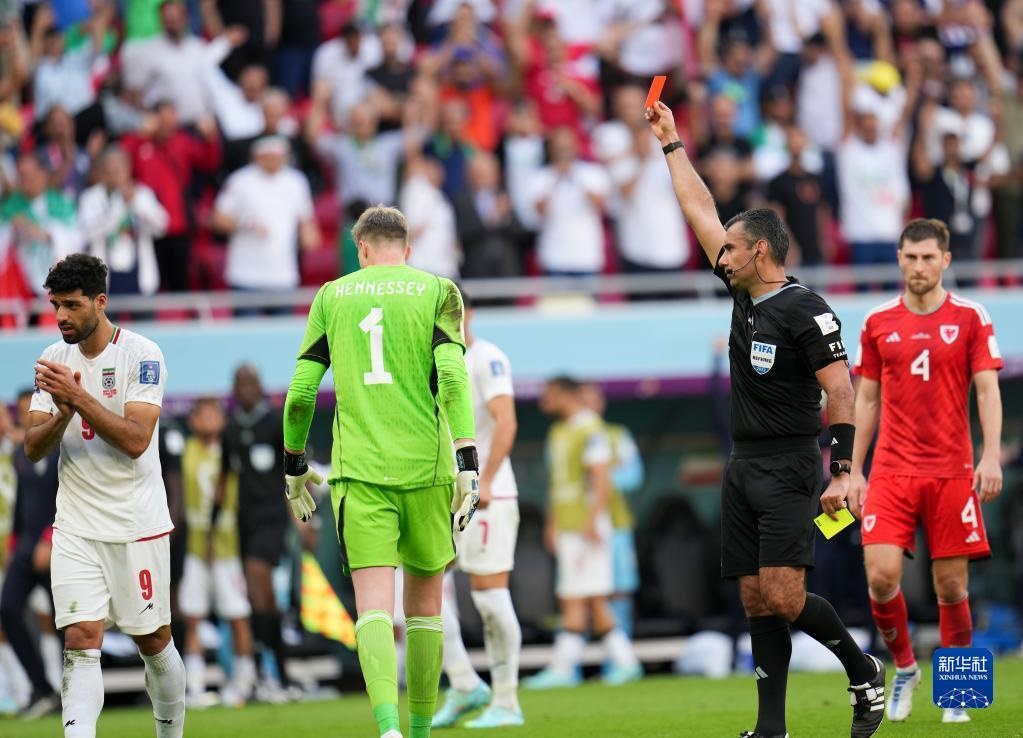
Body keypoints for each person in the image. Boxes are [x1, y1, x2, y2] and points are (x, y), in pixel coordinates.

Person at [645, 100, 885, 738]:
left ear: (758, 252)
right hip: (743, 464)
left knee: (783, 594)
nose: (719, 257)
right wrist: (671, 143)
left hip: (789, 464)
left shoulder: (806, 309)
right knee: (754, 598)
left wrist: (842, 472)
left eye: (730, 249)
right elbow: (699, 209)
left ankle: (862, 669)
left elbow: (841, 389)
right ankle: (771, 728)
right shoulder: (742, 292)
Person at [282, 205, 480, 738]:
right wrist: (467, 461)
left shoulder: (331, 296)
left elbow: (300, 394)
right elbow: (454, 381)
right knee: (426, 610)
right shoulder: (439, 291)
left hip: (360, 475)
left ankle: (388, 729)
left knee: (372, 608)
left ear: (362, 249)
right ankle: (421, 731)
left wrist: (294, 463)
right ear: (407, 250)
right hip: (428, 470)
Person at [849, 218, 1004, 726]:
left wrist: (991, 454)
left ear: (945, 260)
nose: (919, 266)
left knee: (952, 586)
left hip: (952, 470)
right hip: (892, 470)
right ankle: (906, 668)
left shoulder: (971, 316)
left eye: (928, 257)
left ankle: (958, 691)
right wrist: (853, 470)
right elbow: (866, 399)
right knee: (880, 576)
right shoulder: (877, 321)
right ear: (899, 258)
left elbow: (987, 390)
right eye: (911, 257)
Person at [25, 253, 185, 737]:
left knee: (154, 641)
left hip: (136, 524)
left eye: (72, 305)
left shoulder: (142, 355)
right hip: (76, 525)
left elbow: (136, 440)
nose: (61, 316)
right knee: (79, 637)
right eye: (56, 305)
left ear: (100, 301)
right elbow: (32, 447)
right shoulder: (53, 360)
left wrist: (77, 399)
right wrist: (62, 414)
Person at [432, 290, 523, 729]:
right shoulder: (434, 362)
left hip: (488, 494)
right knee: (420, 588)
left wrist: (484, 480)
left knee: (489, 596)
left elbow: (506, 421)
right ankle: (465, 682)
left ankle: (506, 701)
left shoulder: (487, 358)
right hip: (443, 494)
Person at [524, 376, 641, 690]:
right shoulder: (558, 431)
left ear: (566, 395)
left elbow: (601, 478)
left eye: (549, 395)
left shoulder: (592, 429)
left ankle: (567, 669)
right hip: (567, 526)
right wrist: (552, 523)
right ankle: (621, 663)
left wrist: (592, 519)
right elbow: (557, 483)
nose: (544, 402)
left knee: (580, 598)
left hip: (586, 527)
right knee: (584, 599)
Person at [220, 365, 292, 697]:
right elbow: (224, 478)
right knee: (261, 599)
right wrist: (214, 526)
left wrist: (302, 520)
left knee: (257, 579)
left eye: (251, 384)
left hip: (272, 517)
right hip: (244, 520)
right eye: (241, 384)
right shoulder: (231, 428)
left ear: (260, 387)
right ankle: (275, 674)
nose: (246, 390)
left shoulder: (275, 422)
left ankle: (270, 674)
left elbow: (292, 470)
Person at [179, 397, 256, 708]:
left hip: (228, 547)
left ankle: (244, 684)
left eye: (215, 414)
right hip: (194, 548)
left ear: (223, 420)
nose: (209, 420)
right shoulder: (185, 452)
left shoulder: (233, 451)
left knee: (237, 615)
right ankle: (195, 688)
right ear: (193, 421)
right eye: (203, 415)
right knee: (192, 616)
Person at [0, 388, 60, 719]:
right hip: (25, 547)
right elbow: (21, 503)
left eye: (32, 409)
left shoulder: (63, 447)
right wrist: (14, 545)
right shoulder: (21, 454)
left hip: (59, 546)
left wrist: (50, 538)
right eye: (23, 411)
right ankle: (41, 688)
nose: (27, 416)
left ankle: (71, 691)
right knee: (8, 609)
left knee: (65, 622)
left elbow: (72, 495)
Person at [580, 383, 643, 644]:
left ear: (601, 404)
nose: (588, 407)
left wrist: (599, 475)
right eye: (582, 402)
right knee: (581, 592)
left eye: (592, 401)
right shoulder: (566, 435)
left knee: (619, 590)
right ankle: (576, 661)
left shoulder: (618, 435)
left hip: (616, 524)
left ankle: (619, 657)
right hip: (580, 526)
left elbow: (633, 476)